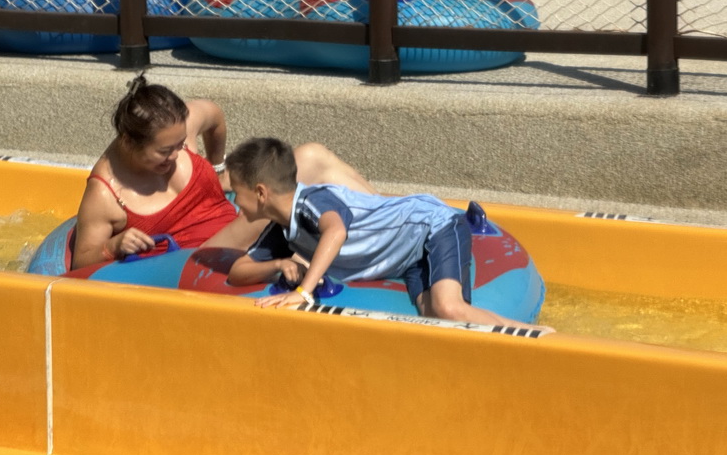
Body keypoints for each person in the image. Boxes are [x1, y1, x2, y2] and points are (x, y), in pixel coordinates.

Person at [224, 137, 545, 331]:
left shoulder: (312, 201)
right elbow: (237, 272)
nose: (235, 202)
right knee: (432, 316)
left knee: (449, 309)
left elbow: (334, 231)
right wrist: (278, 266)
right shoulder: (282, 228)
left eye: (237, 193)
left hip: (433, 226)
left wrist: (303, 292)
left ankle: (544, 340)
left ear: (261, 193)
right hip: (408, 258)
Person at [71, 75, 374, 269]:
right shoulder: (106, 193)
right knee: (299, 172)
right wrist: (113, 246)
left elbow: (213, 114)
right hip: (197, 259)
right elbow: (79, 264)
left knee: (311, 154)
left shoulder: (169, 128)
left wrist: (216, 168)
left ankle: (392, 210)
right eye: (165, 152)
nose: (177, 155)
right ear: (128, 142)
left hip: (235, 225)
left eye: (180, 144)